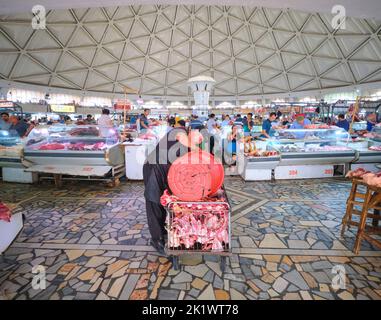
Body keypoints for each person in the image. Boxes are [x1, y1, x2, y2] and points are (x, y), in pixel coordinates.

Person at [143, 126, 193, 254]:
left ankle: (164, 230)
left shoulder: (188, 143)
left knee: (165, 200)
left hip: (167, 170)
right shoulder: (180, 131)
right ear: (191, 130)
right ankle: (156, 239)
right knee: (153, 201)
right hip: (154, 168)